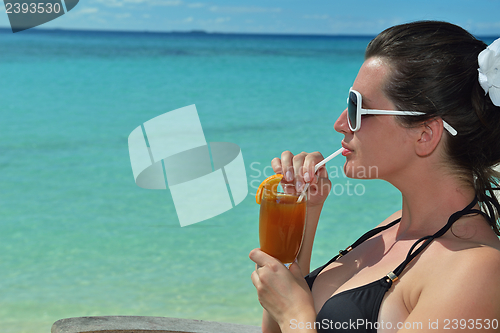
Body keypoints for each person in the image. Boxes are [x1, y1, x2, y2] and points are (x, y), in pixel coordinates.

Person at [249, 21, 500, 333]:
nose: (340, 123)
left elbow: (293, 320)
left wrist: (295, 318)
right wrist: (303, 211)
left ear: (425, 134)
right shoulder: (389, 230)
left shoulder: (476, 271)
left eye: (357, 107)